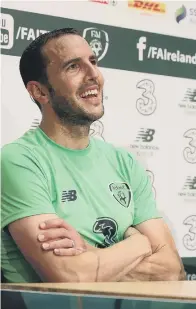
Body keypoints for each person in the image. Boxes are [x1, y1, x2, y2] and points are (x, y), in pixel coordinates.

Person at [1, 28, 185, 283]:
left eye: (93, 62)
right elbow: (72, 277)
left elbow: (172, 270)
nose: (94, 75)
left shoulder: (124, 162)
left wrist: (90, 255)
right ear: (39, 92)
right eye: (73, 67)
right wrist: (139, 243)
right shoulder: (18, 161)